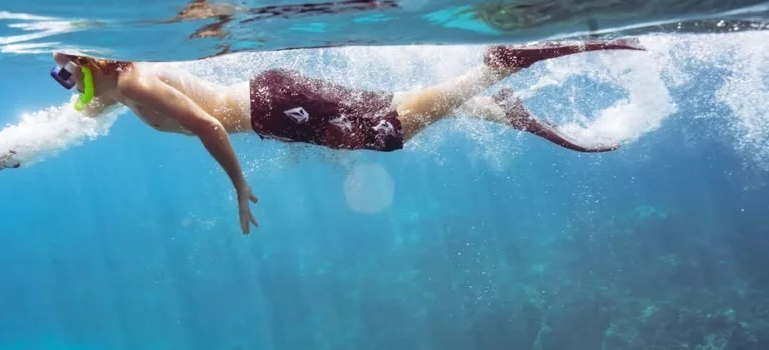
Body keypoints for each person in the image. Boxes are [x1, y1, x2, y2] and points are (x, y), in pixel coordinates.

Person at [48, 39, 646, 234]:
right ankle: (497, 105)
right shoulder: (119, 85)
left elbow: (205, 124)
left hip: (273, 108)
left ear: (93, 64)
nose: (67, 90)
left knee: (398, 126)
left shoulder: (132, 87)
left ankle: (497, 68)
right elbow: (83, 112)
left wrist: (237, 185)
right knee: (397, 115)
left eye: (68, 77)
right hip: (276, 103)